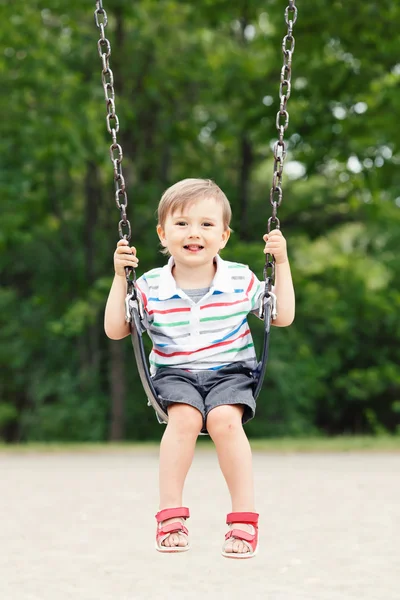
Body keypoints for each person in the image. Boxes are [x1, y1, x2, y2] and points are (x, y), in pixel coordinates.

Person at [104, 178, 295, 558]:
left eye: (206, 225)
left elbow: (283, 316)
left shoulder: (240, 278)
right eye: (182, 224)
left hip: (231, 372)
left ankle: (243, 517)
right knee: (185, 420)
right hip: (175, 375)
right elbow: (115, 329)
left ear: (223, 236)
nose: (194, 233)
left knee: (225, 420)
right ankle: (170, 515)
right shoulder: (149, 284)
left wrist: (282, 263)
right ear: (162, 233)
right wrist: (119, 277)